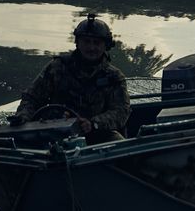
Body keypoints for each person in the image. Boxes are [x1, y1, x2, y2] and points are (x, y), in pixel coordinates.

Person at [12, 13, 130, 144]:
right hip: (56, 132)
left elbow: (121, 112)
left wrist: (94, 123)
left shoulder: (114, 77)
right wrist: (23, 117)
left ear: (105, 46)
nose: (91, 48)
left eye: (97, 43)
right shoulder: (57, 67)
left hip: (98, 135)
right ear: (77, 43)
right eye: (86, 42)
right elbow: (32, 98)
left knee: (122, 149)